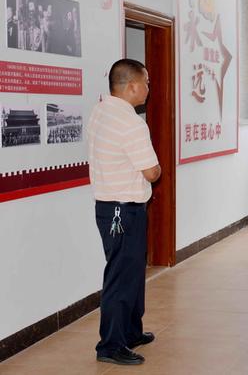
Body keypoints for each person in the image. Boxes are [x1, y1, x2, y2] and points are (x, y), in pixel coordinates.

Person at [88, 59, 161, 365]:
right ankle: (110, 345)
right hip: (122, 211)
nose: (148, 88)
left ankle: (131, 331)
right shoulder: (130, 123)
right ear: (131, 85)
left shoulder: (101, 111)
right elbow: (152, 172)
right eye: (145, 82)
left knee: (131, 271)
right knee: (121, 274)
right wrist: (156, 170)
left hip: (112, 208)